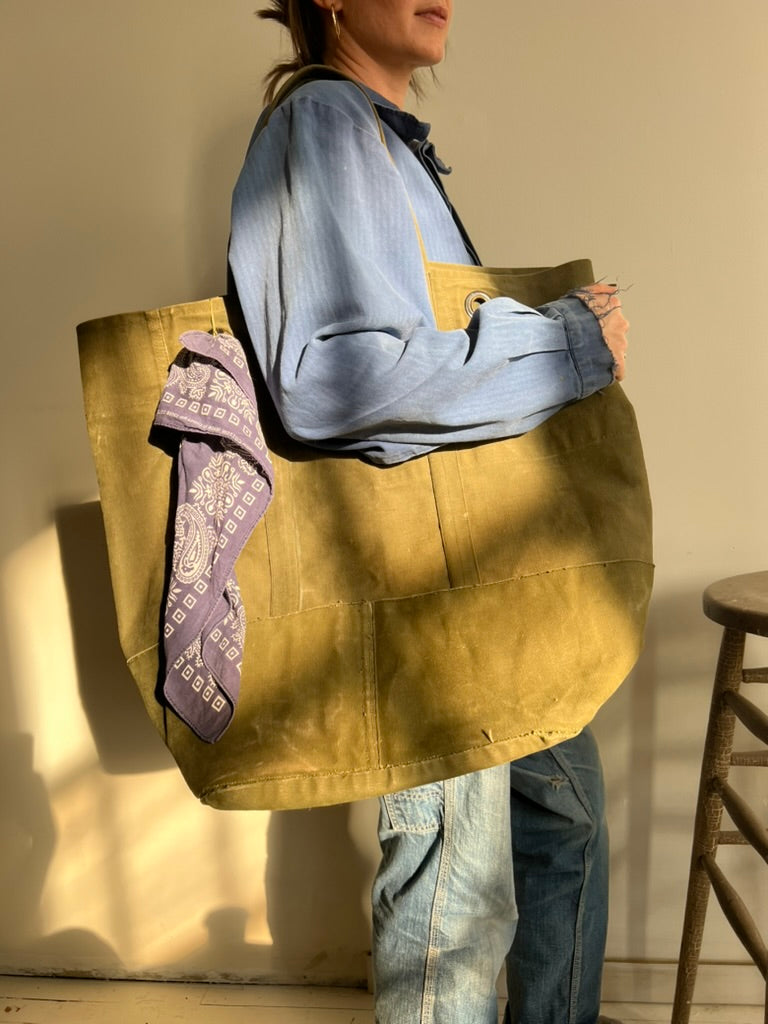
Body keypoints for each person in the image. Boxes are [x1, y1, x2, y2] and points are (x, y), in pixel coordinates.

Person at [228, 2, 629, 1022]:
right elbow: (335, 381)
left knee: (567, 822)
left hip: (483, 579)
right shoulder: (325, 124)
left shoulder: (386, 143)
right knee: (458, 888)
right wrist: (565, 345)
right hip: (425, 589)